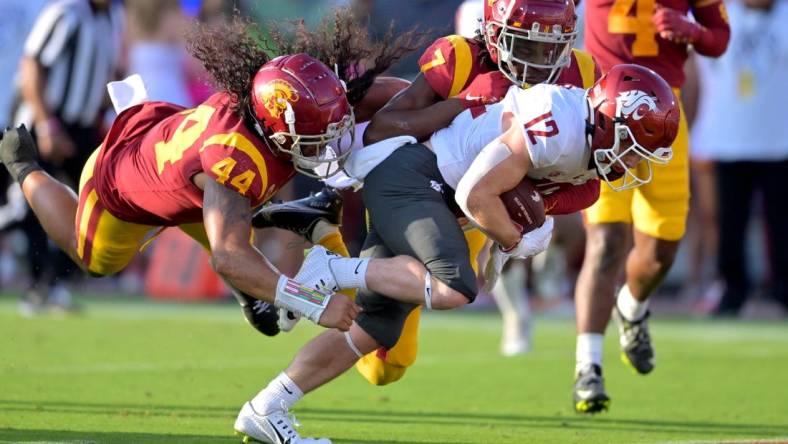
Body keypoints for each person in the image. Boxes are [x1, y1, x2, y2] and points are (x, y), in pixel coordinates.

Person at [234, 64, 680, 444]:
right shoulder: (558, 126)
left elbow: (517, 206)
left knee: (375, 328)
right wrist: (513, 239)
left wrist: (509, 247)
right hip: (414, 173)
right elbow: (476, 193)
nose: (630, 163)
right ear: (606, 120)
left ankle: (267, 407)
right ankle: (331, 267)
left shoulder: (586, 175)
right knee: (454, 287)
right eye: (630, 146)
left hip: (435, 193)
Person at [0, 16, 364, 339]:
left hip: (179, 171)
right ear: (279, 127)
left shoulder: (262, 107)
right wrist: (313, 303)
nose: (330, 140)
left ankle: (285, 224)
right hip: (119, 183)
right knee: (94, 261)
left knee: (235, 226)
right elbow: (228, 257)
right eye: (316, 133)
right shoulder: (233, 161)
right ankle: (24, 166)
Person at [573, 0, 731, 413]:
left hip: (664, 117)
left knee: (662, 251)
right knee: (606, 242)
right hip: (604, 113)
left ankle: (632, 307)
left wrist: (691, 31)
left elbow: (719, 38)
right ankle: (587, 367)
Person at [8, 0, 124, 314]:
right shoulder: (66, 12)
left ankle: (52, 283)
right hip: (44, 120)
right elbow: (31, 67)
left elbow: (107, 72)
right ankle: (38, 287)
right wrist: (47, 124)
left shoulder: (113, 16)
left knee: (101, 202)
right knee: (26, 206)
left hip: (83, 126)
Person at [690, 0, 788, 316]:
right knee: (727, 221)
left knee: (782, 223)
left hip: (780, 140)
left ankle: (783, 288)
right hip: (727, 139)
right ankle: (732, 289)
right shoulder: (717, 13)